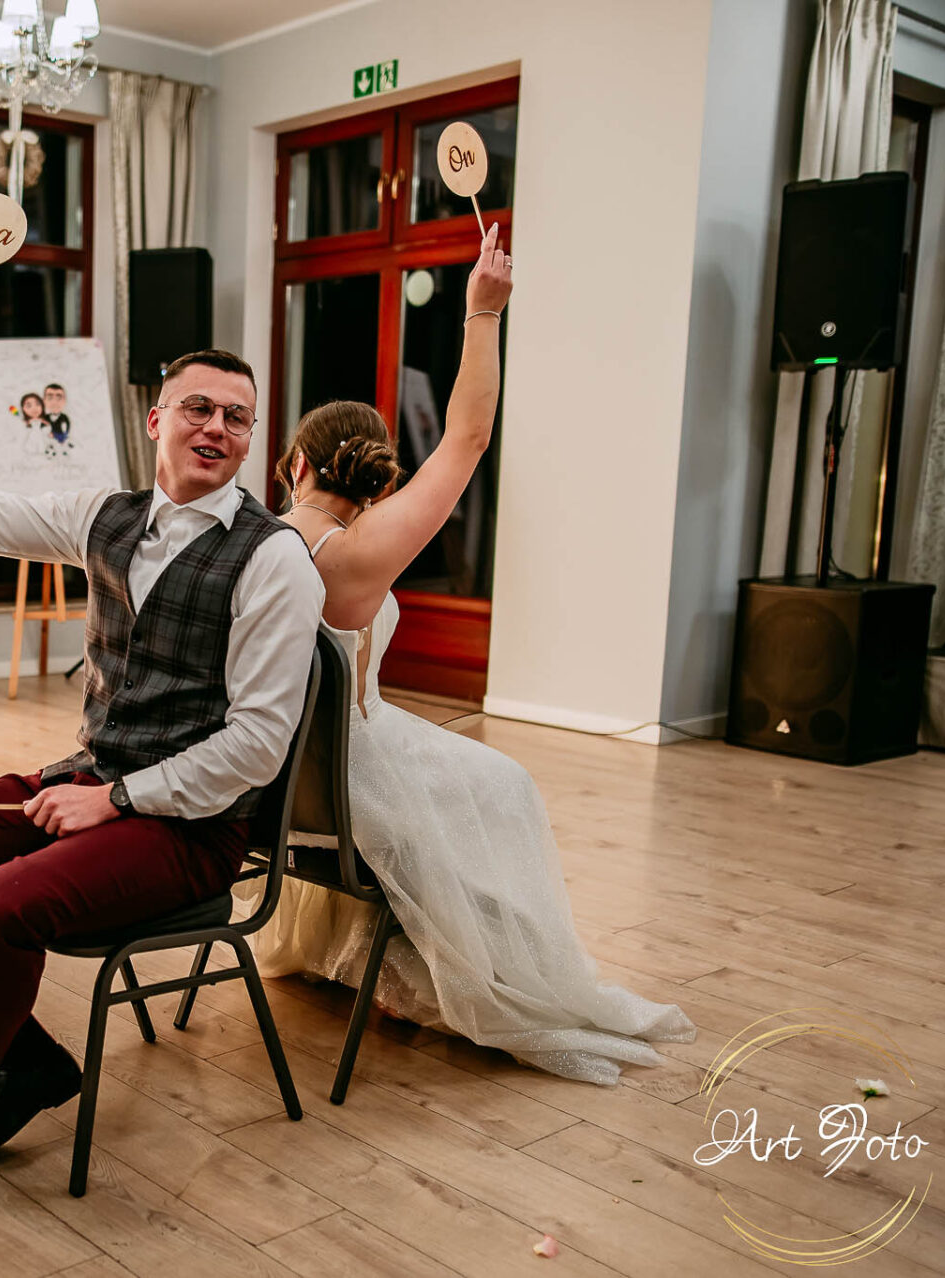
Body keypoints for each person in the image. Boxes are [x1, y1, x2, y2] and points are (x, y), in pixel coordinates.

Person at [0, 293, 322, 1203]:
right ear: (155, 419)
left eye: (237, 417)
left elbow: (257, 746)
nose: (217, 427)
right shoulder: (103, 515)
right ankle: (27, 1061)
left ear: (249, 440)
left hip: (191, 829)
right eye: (198, 407)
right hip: (86, 781)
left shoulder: (273, 559)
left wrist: (114, 801)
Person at [259, 225, 693, 1084]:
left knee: (464, 781)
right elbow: (466, 439)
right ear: (378, 477)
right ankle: (486, 968)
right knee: (506, 786)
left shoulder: (260, 539)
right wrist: (482, 314)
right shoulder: (358, 552)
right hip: (345, 770)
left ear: (297, 462)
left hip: (275, 776)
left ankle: (391, 952)